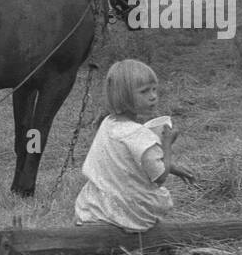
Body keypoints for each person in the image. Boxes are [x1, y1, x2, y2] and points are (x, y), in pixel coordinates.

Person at [74, 59, 198, 232]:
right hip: (131, 212)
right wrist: (167, 145)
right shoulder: (140, 135)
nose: (153, 96)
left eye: (154, 89)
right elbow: (160, 177)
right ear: (124, 95)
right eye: (144, 91)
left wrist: (174, 168)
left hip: (96, 205)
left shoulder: (109, 123)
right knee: (159, 197)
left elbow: (130, 162)